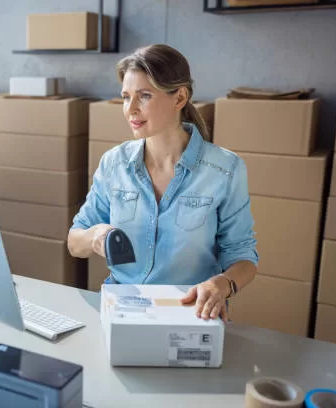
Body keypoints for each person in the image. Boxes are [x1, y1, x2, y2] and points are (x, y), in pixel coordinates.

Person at [68, 44, 258, 322]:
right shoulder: (114, 164)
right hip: (122, 309)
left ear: (179, 97)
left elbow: (244, 258)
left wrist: (222, 284)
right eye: (125, 97)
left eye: (144, 96)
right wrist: (94, 235)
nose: (130, 109)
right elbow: (75, 242)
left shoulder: (225, 170)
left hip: (189, 313)